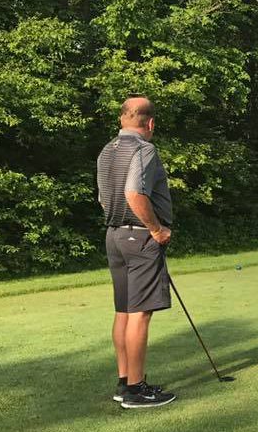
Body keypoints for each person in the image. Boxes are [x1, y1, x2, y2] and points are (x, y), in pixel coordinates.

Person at [96, 96, 177, 408]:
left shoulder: (107, 151)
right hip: (140, 237)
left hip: (114, 236)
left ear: (121, 119)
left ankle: (123, 382)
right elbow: (133, 193)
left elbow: (105, 199)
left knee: (123, 310)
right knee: (140, 313)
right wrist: (157, 229)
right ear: (151, 123)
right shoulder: (145, 149)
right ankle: (136, 389)